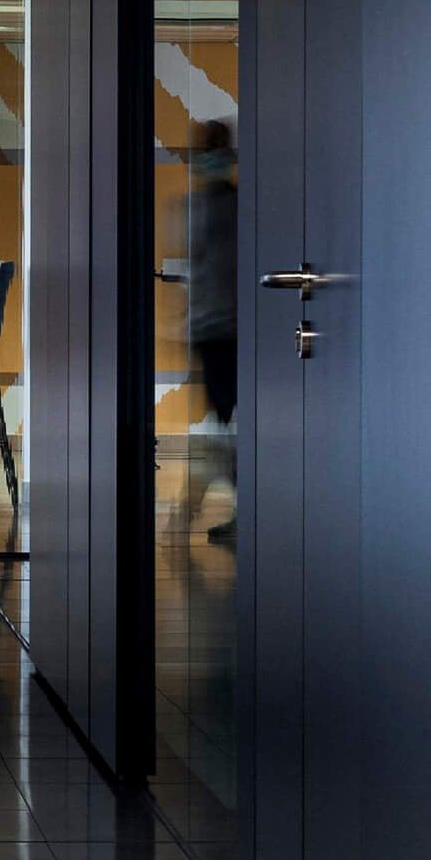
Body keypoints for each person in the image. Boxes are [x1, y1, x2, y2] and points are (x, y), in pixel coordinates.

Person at [184, 120, 238, 543]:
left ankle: (238, 506)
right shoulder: (203, 206)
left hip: (226, 327)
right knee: (226, 418)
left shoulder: (226, 207)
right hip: (214, 327)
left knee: (229, 419)